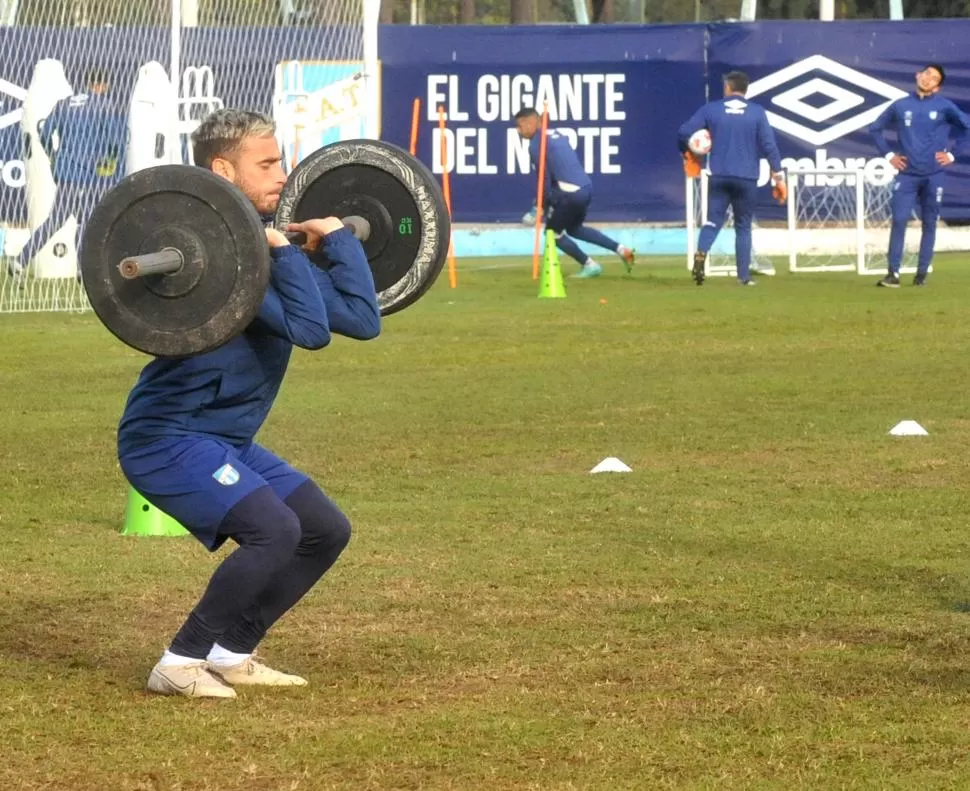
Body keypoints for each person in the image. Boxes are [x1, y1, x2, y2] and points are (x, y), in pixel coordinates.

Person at [118, 109, 381, 699]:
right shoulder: (221, 262)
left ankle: (231, 651)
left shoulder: (265, 250)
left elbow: (362, 321)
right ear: (222, 170)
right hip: (166, 439)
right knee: (274, 531)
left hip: (224, 439)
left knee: (323, 530)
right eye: (267, 163)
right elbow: (311, 332)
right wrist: (286, 255)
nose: (284, 175)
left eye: (282, 161)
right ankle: (179, 661)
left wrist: (338, 240)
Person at [15, 68, 128, 276]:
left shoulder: (65, 103)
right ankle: (82, 268)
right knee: (88, 221)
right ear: (102, 86)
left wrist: (54, 155)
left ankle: (22, 261)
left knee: (60, 220)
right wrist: (114, 162)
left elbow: (46, 132)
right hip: (91, 173)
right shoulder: (103, 104)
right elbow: (115, 141)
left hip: (66, 171)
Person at [678, 70, 786, 286]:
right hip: (746, 177)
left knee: (712, 221)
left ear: (727, 87)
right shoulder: (757, 112)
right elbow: (769, 146)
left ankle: (700, 257)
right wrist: (778, 177)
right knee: (743, 227)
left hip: (719, 174)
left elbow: (684, 132)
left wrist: (688, 153)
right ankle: (743, 277)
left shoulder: (712, 109)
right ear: (745, 89)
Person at [869, 63, 970, 287]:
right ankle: (893, 274)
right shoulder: (901, 105)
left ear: (937, 87)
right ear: (917, 75)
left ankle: (921, 274)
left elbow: (967, 127)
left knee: (930, 223)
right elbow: (875, 128)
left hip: (934, 175)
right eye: (926, 74)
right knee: (899, 220)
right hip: (907, 175)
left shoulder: (944, 106)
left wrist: (953, 155)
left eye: (933, 78)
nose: (927, 79)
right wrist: (888, 156)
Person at [513, 107, 635, 279]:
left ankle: (590, 265)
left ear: (530, 123)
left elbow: (544, 181)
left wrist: (537, 209)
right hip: (585, 187)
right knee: (575, 229)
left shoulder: (535, 145)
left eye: (519, 126)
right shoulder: (557, 134)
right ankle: (622, 250)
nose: (518, 131)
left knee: (552, 234)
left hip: (569, 192)